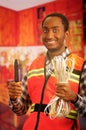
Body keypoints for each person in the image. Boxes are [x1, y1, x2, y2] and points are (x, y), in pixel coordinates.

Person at [8, 12, 86, 130]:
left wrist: (74, 97)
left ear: (66, 34)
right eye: (45, 30)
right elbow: (21, 110)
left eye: (55, 30)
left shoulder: (81, 66)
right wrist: (14, 98)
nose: (49, 36)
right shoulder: (34, 65)